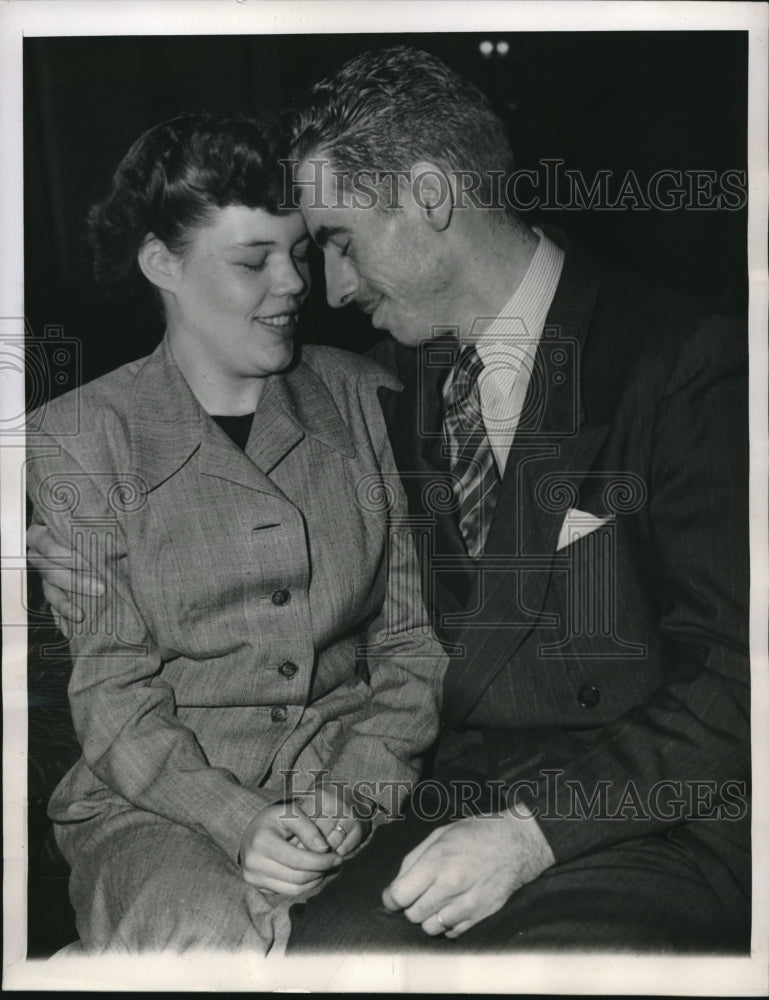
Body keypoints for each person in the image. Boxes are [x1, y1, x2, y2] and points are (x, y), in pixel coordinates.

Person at [33, 48, 751, 953]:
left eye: (330, 241)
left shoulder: (684, 361)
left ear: (426, 197)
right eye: (280, 256)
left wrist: (526, 833)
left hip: (635, 820)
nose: (320, 290)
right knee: (311, 948)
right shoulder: (409, 377)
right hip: (450, 805)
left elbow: (740, 679)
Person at [24, 109, 447, 954]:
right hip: (154, 807)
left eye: (296, 253)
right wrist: (238, 818)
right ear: (160, 264)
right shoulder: (75, 438)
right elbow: (111, 697)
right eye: (252, 261)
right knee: (202, 943)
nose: (293, 284)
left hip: (342, 784)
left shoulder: (366, 400)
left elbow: (412, 645)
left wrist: (356, 791)